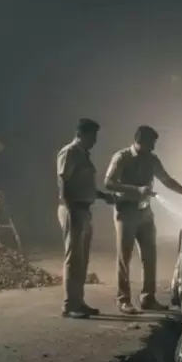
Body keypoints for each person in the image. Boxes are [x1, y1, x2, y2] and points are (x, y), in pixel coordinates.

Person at [104, 125, 182, 313]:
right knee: (124, 257)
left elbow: (167, 180)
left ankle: (148, 298)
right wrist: (136, 189)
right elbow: (108, 183)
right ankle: (123, 299)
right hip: (126, 211)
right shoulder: (122, 157)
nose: (154, 147)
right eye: (151, 143)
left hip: (145, 212)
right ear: (139, 141)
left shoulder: (152, 159)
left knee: (150, 256)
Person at [57, 118, 116, 319]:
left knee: (81, 259)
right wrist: (70, 208)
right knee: (73, 259)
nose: (94, 141)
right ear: (80, 134)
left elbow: (84, 185)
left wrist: (103, 196)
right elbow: (64, 181)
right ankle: (69, 304)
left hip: (83, 209)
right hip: (73, 209)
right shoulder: (70, 152)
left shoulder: (83, 154)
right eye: (92, 136)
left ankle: (79, 301)